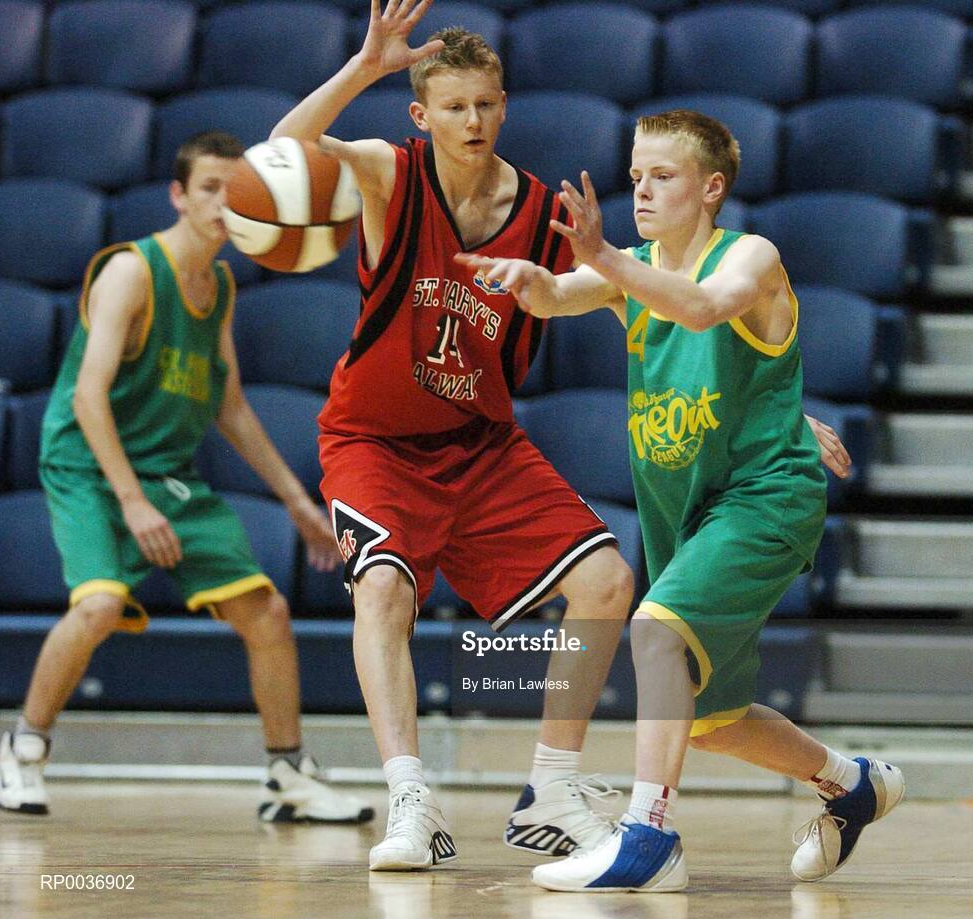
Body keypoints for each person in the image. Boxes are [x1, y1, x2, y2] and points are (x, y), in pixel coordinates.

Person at [271, 4, 847, 872]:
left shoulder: (545, 211)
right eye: (455, 107)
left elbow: (687, 309)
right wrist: (362, 70)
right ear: (421, 116)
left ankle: (551, 787)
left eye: (488, 104)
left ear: (504, 106)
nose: (474, 121)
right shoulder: (390, 174)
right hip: (376, 438)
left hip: (479, 442)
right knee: (383, 589)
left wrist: (782, 404)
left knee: (608, 580)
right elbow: (276, 154)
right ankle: (410, 801)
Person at [457, 109, 904, 893]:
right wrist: (533, 285)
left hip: (764, 496)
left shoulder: (750, 256)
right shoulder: (629, 269)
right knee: (709, 721)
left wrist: (598, 259)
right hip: (687, 510)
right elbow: (563, 293)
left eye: (661, 175)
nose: (641, 190)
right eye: (634, 176)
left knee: (654, 633)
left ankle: (647, 838)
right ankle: (849, 780)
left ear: (711, 187)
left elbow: (699, 308)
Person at [0, 131, 373, 828]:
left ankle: (288, 772)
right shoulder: (132, 272)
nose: (224, 204)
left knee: (267, 612)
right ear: (178, 195)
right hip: (87, 463)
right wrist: (132, 502)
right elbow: (86, 397)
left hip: (163, 473)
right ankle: (23, 746)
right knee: (100, 603)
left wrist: (296, 501)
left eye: (237, 189)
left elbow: (227, 403)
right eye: (208, 189)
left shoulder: (220, 284)